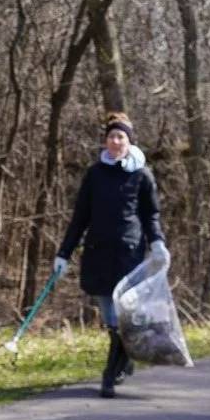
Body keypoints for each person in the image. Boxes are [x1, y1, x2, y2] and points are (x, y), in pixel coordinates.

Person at [54, 113, 165, 398]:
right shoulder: (95, 174)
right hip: (98, 253)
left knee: (119, 316)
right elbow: (81, 216)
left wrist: (157, 243)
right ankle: (123, 360)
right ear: (106, 140)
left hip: (129, 254)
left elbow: (150, 215)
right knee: (109, 316)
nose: (116, 142)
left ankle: (109, 373)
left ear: (129, 141)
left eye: (121, 137)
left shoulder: (141, 174)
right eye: (112, 137)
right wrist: (64, 253)